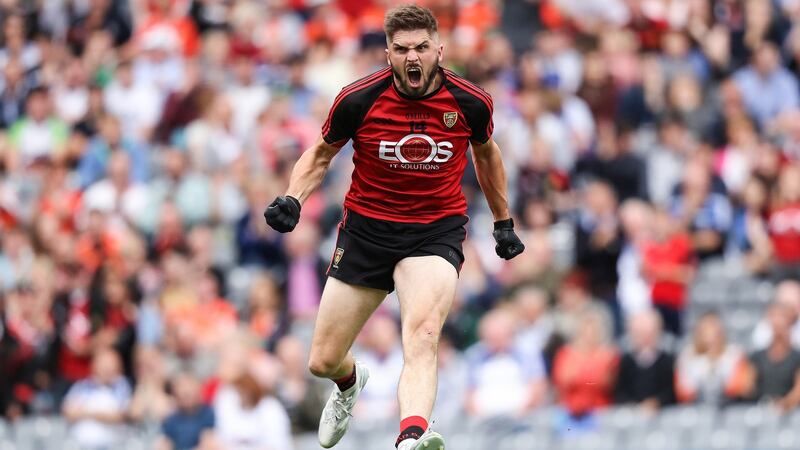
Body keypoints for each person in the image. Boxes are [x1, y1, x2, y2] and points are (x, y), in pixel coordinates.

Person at [264, 5, 524, 450]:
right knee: (322, 360)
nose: (413, 57)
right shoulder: (358, 98)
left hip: (433, 232)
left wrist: (503, 222)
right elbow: (320, 154)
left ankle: (411, 436)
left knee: (423, 333)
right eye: (402, 49)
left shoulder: (469, 102)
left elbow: (487, 156)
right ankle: (349, 383)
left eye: (422, 47)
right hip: (366, 233)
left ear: (439, 49)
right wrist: (293, 198)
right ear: (388, 53)